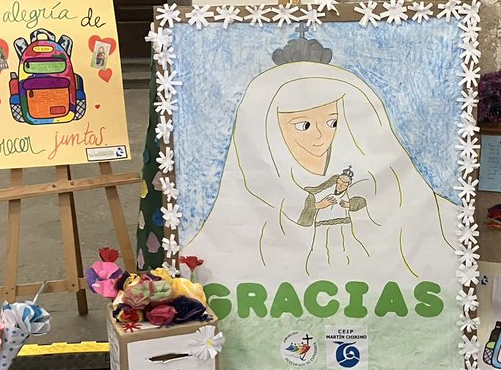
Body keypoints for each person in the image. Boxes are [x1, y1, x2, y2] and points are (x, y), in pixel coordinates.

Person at [183, 40, 458, 280]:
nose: (321, 136)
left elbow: (396, 216)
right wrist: (316, 206)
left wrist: (350, 204)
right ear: (268, 128)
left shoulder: (370, 176)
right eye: (303, 125)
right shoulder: (252, 190)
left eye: (332, 121)